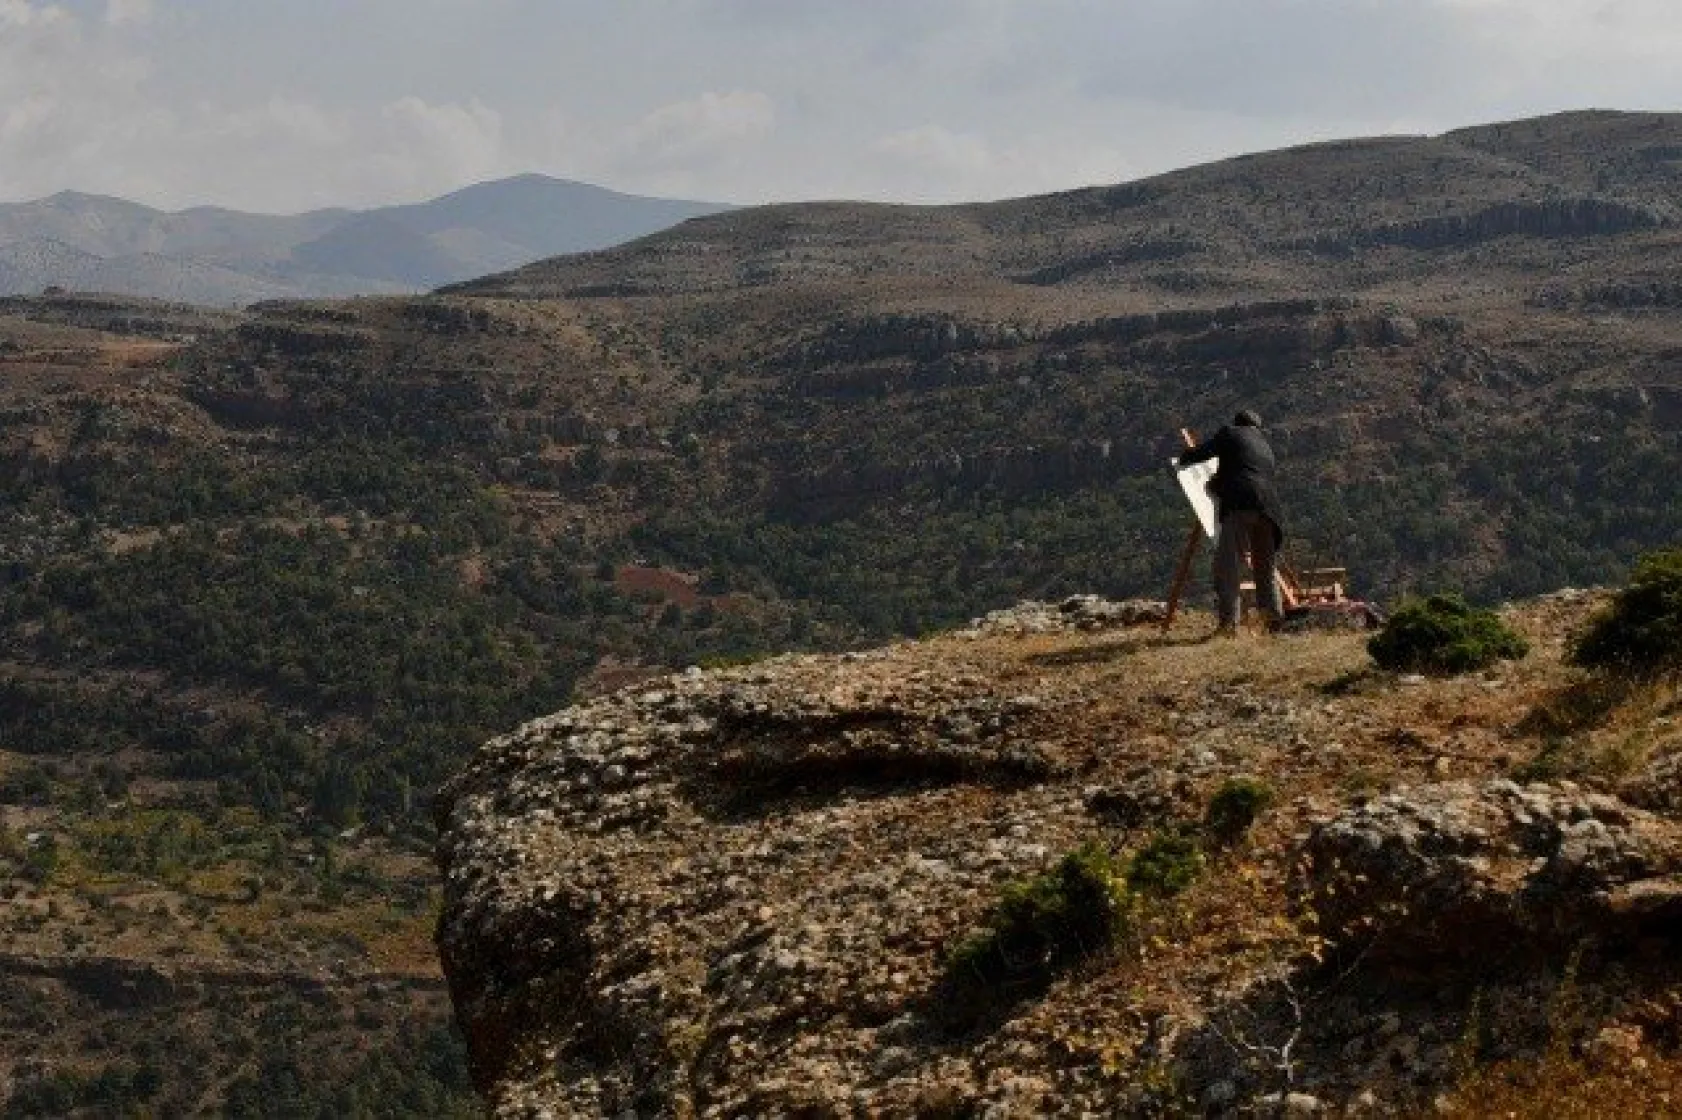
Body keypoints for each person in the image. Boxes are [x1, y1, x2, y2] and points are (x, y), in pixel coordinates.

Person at [1175, 409, 1286, 636]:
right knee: (1265, 570)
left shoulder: (1230, 433)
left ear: (1237, 423)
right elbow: (1242, 472)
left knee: (1229, 567)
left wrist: (1185, 457)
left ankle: (1228, 626)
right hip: (1270, 512)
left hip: (1240, 506)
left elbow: (1205, 452)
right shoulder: (1265, 446)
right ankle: (1273, 623)